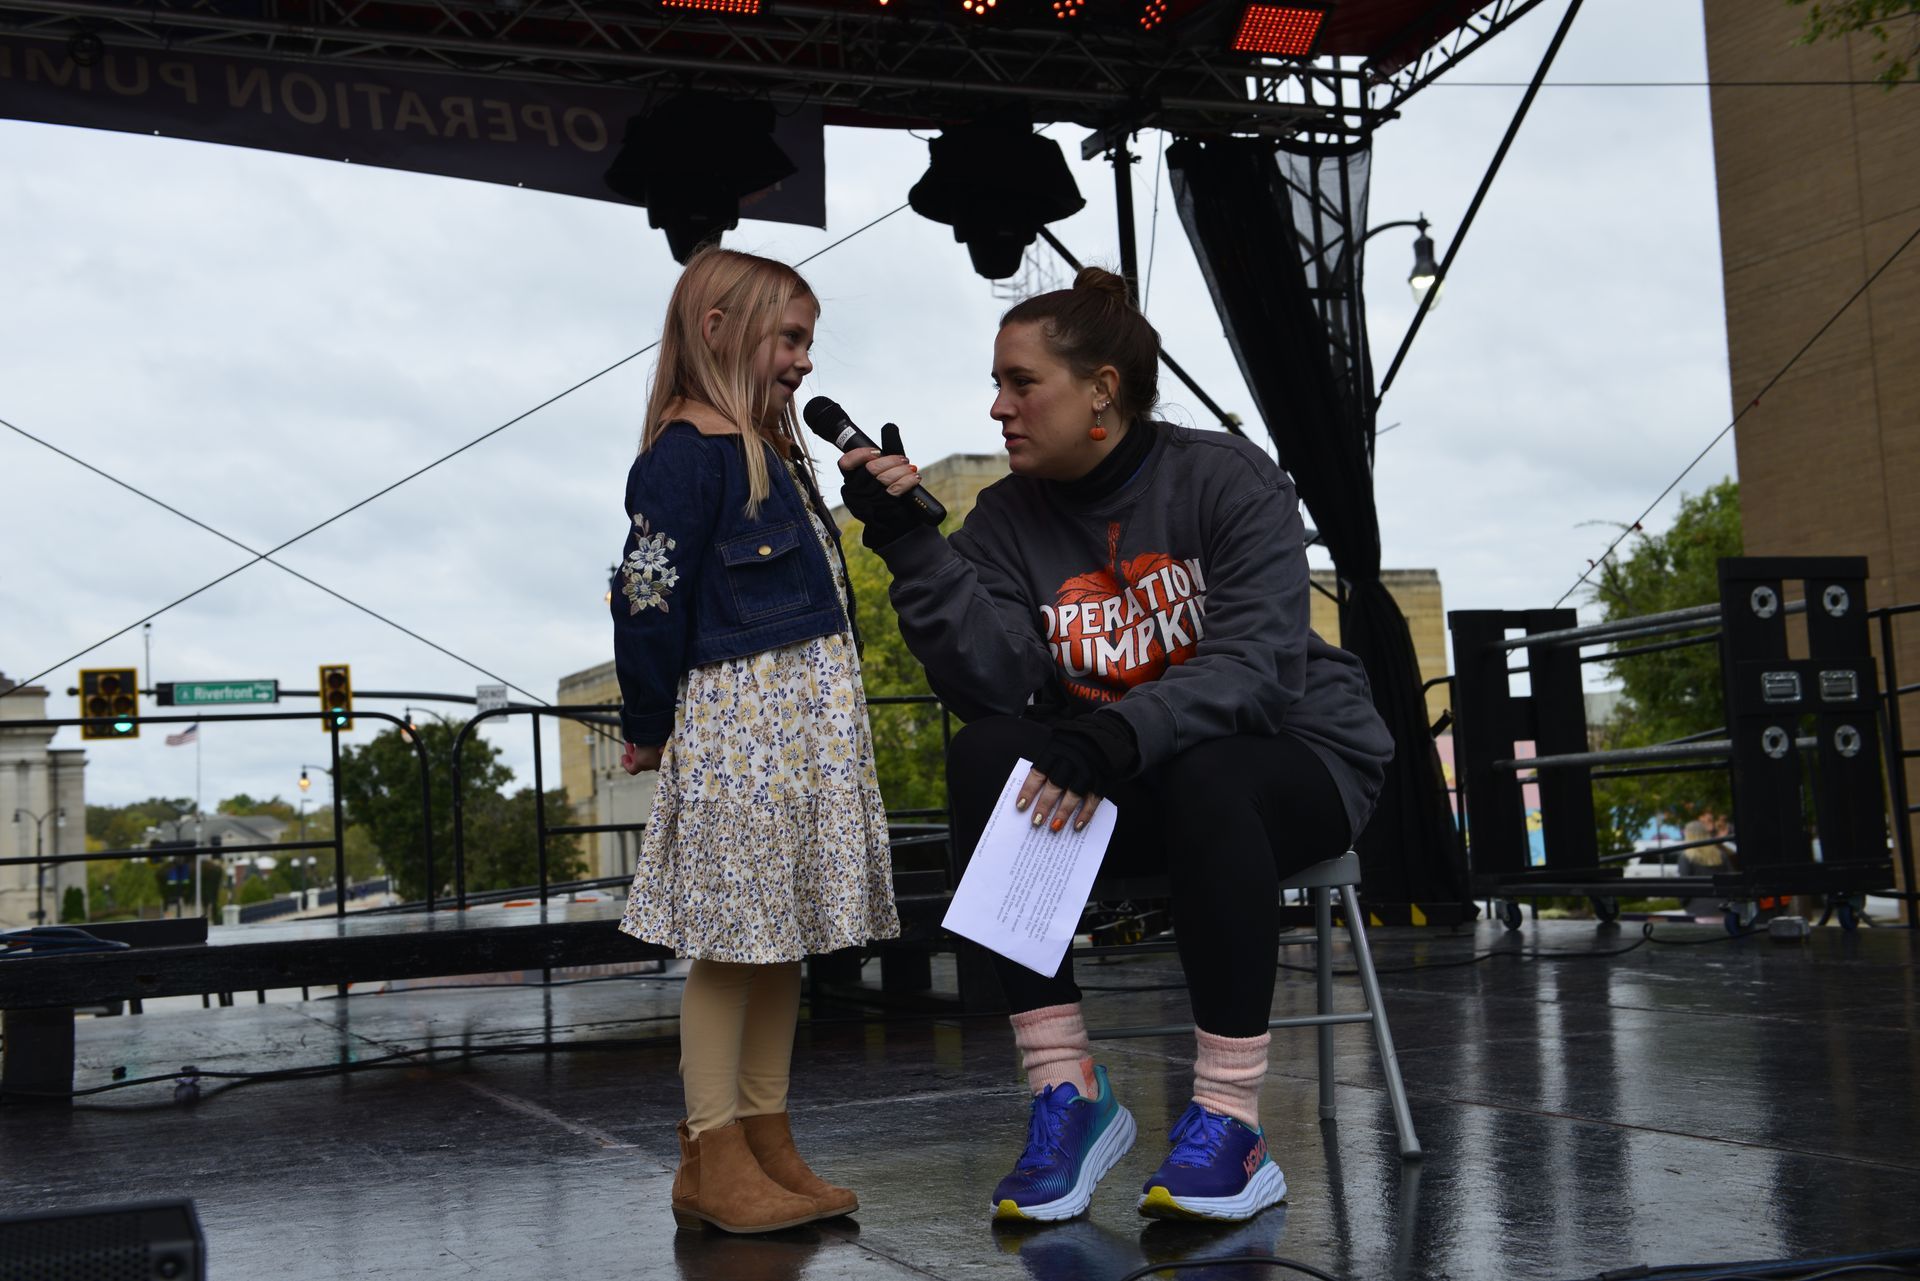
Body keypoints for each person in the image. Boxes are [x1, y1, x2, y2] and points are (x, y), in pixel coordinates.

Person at [837, 267, 1393, 1225]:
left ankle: (1230, 1121)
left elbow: (1258, 668)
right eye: (997, 384)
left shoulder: (1227, 477)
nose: (999, 406)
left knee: (1210, 773)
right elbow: (995, 686)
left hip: (1292, 756)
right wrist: (916, 551)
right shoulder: (1006, 518)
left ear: (1100, 389)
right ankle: (1070, 1094)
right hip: (1132, 772)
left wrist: (1117, 729)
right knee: (986, 756)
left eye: (1022, 383)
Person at [611, 247, 900, 1234]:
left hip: (801, 730)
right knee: (732, 941)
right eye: (791, 337)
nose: (805, 360)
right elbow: (647, 594)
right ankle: (712, 1147)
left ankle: (765, 1135)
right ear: (718, 330)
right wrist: (648, 721)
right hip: (742, 732)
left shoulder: (768, 451)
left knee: (782, 936)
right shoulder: (686, 455)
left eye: (808, 341)